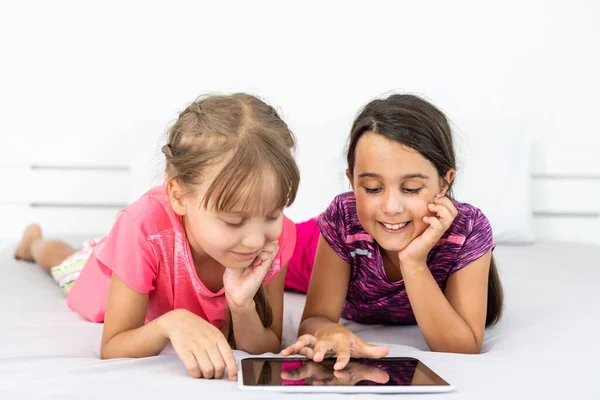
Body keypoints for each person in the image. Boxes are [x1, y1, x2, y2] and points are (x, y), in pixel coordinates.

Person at [14, 93, 300, 380]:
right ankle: (33, 243)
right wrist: (170, 324)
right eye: (234, 221)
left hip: (138, 253)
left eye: (272, 215)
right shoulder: (142, 227)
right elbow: (113, 346)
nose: (254, 240)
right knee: (66, 263)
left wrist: (241, 307)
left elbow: (267, 346)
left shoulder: (275, 238)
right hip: (117, 270)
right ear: (179, 197)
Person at [282, 94, 503, 370]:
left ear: (444, 184)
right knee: (251, 246)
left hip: (363, 235)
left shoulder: (468, 230)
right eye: (373, 188)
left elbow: (461, 348)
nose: (390, 207)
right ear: (351, 182)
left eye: (410, 189)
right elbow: (315, 319)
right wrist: (328, 330)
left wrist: (413, 262)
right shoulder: (343, 218)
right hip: (318, 246)